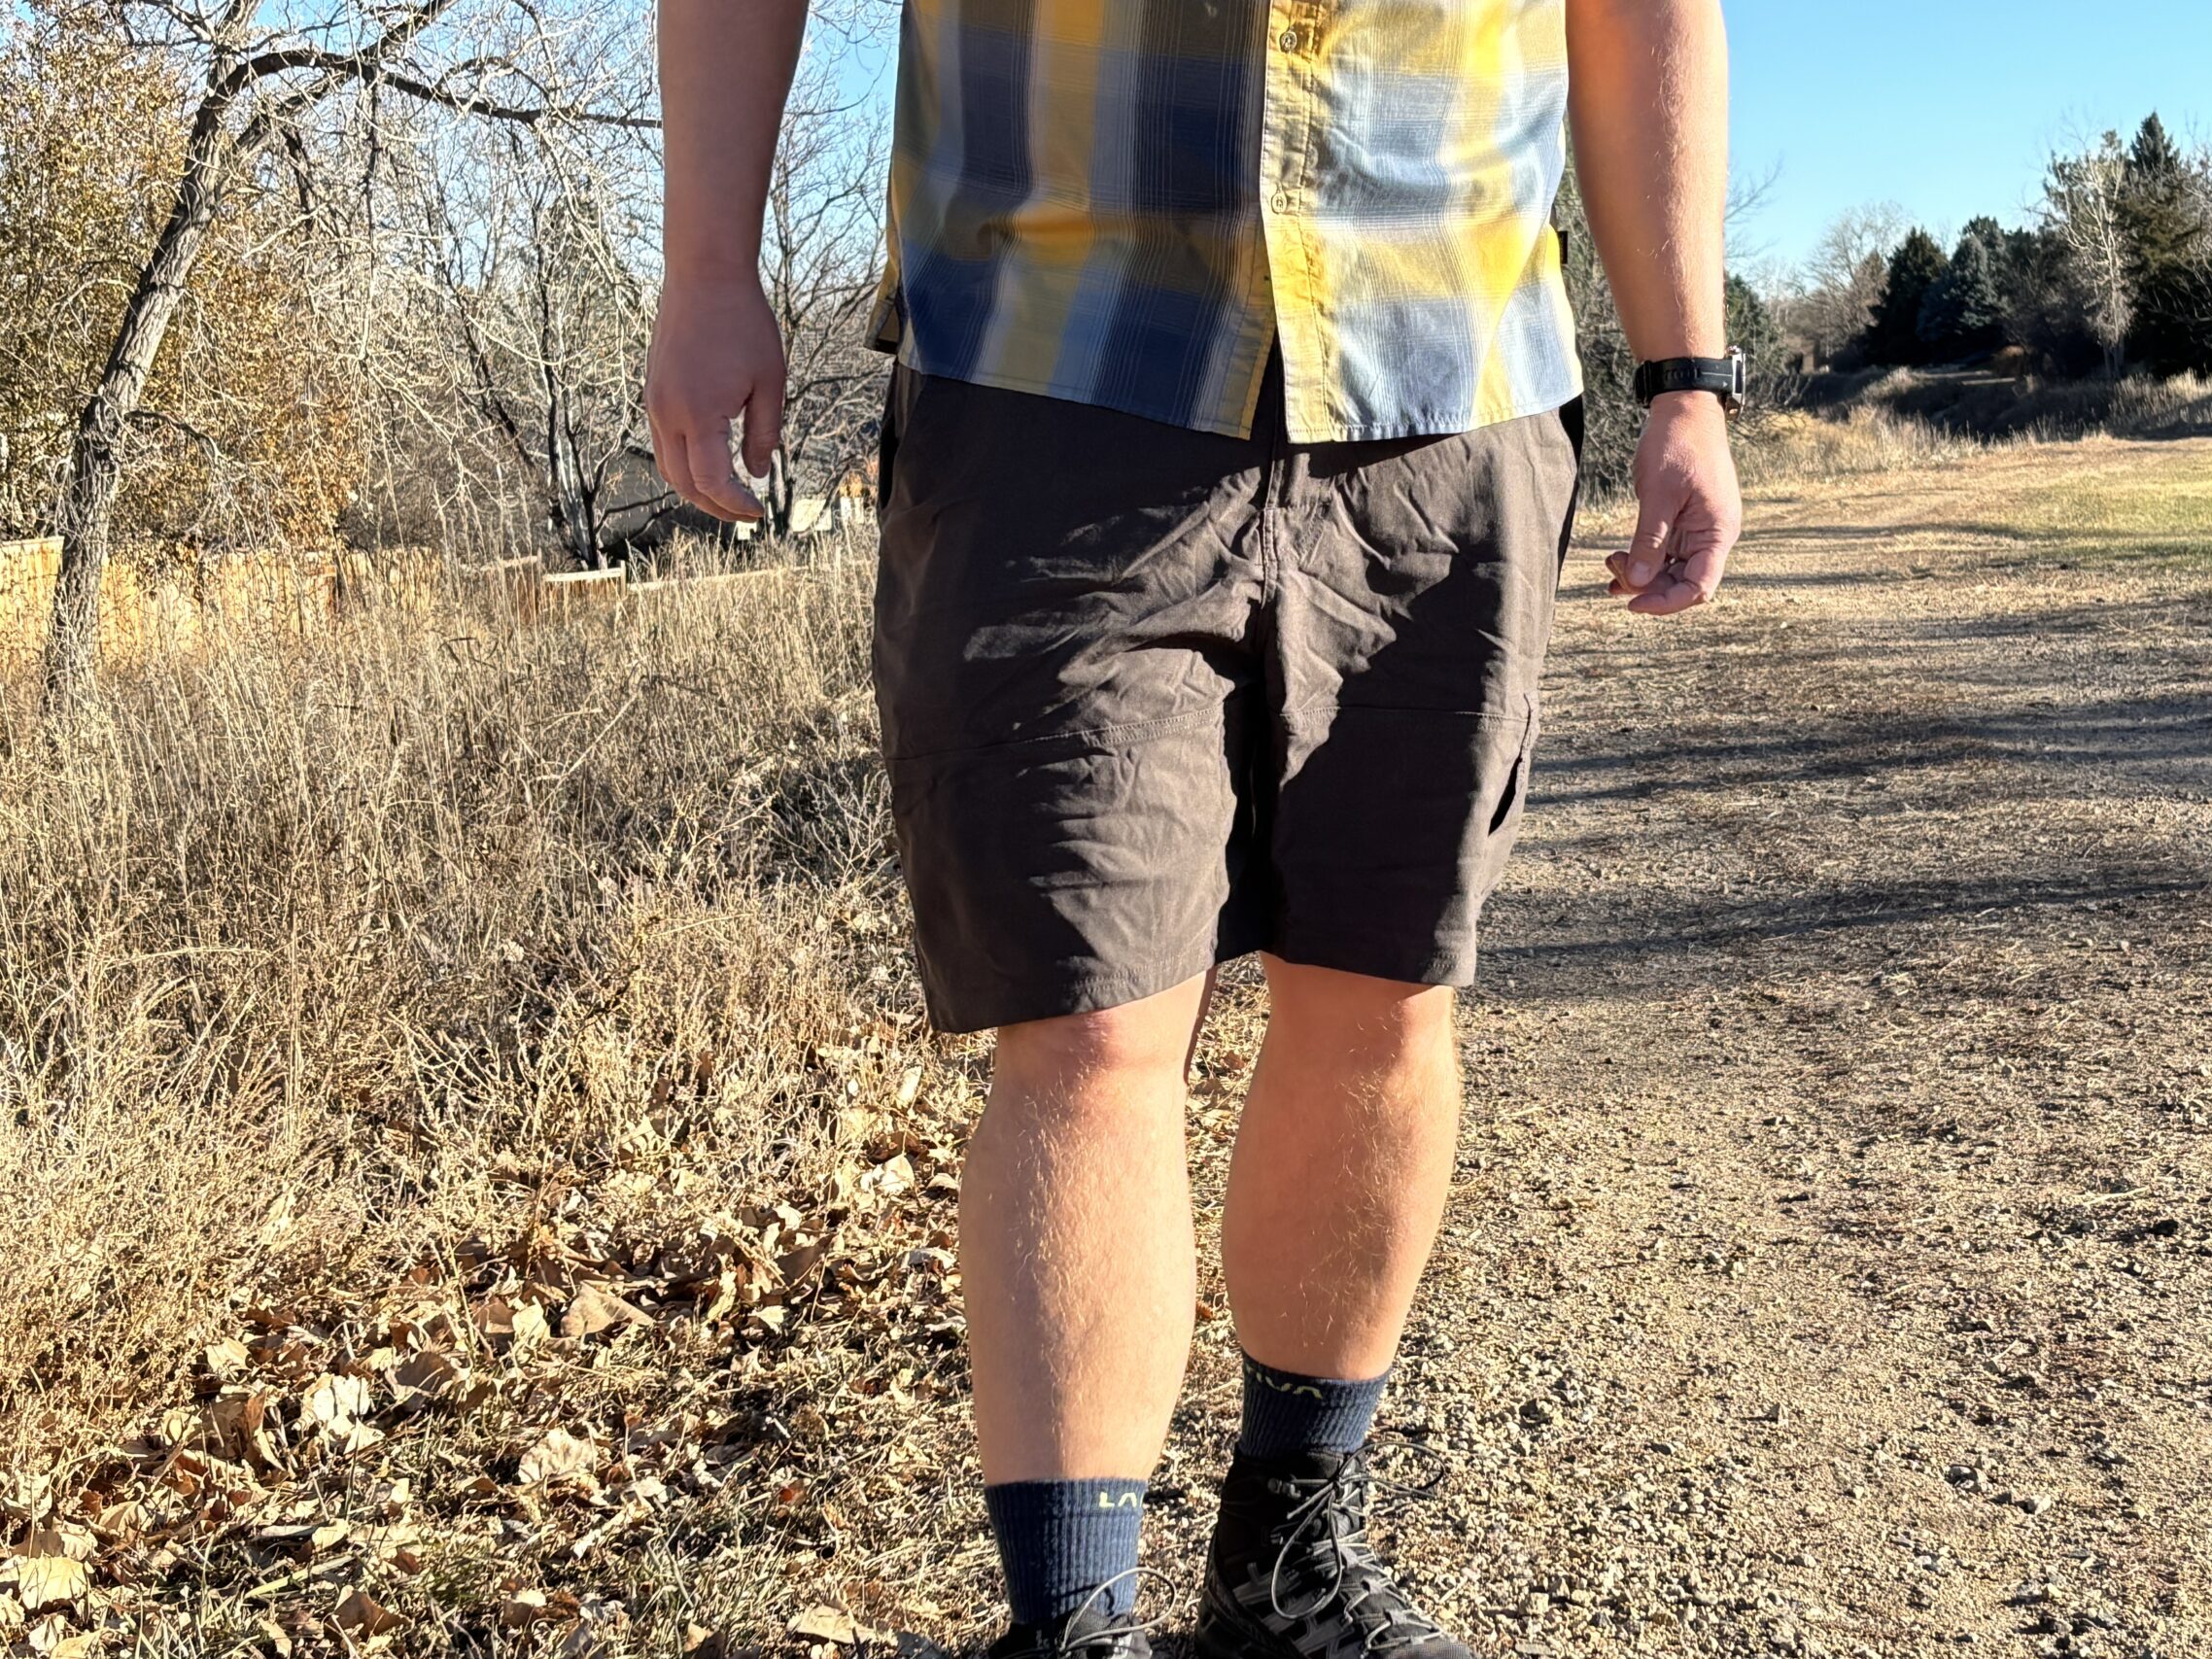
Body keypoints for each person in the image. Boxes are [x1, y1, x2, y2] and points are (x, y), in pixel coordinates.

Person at [645, 1, 1742, 1652]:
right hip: (1054, 346)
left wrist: (1688, 372)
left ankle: (1285, 1563)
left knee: (1383, 992)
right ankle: (1071, 1630)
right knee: (1088, 1017)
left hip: (1450, 370)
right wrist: (707, 260)